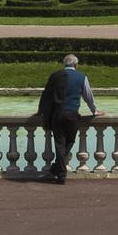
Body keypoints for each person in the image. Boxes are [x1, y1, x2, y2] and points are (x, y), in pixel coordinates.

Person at [37, 54, 104, 184]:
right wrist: (94, 111)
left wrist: (40, 111)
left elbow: (45, 95)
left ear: (64, 64)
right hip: (72, 115)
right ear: (76, 64)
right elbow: (88, 96)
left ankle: (58, 170)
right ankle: (60, 173)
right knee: (70, 141)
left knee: (59, 144)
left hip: (57, 115)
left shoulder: (55, 76)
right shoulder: (81, 77)